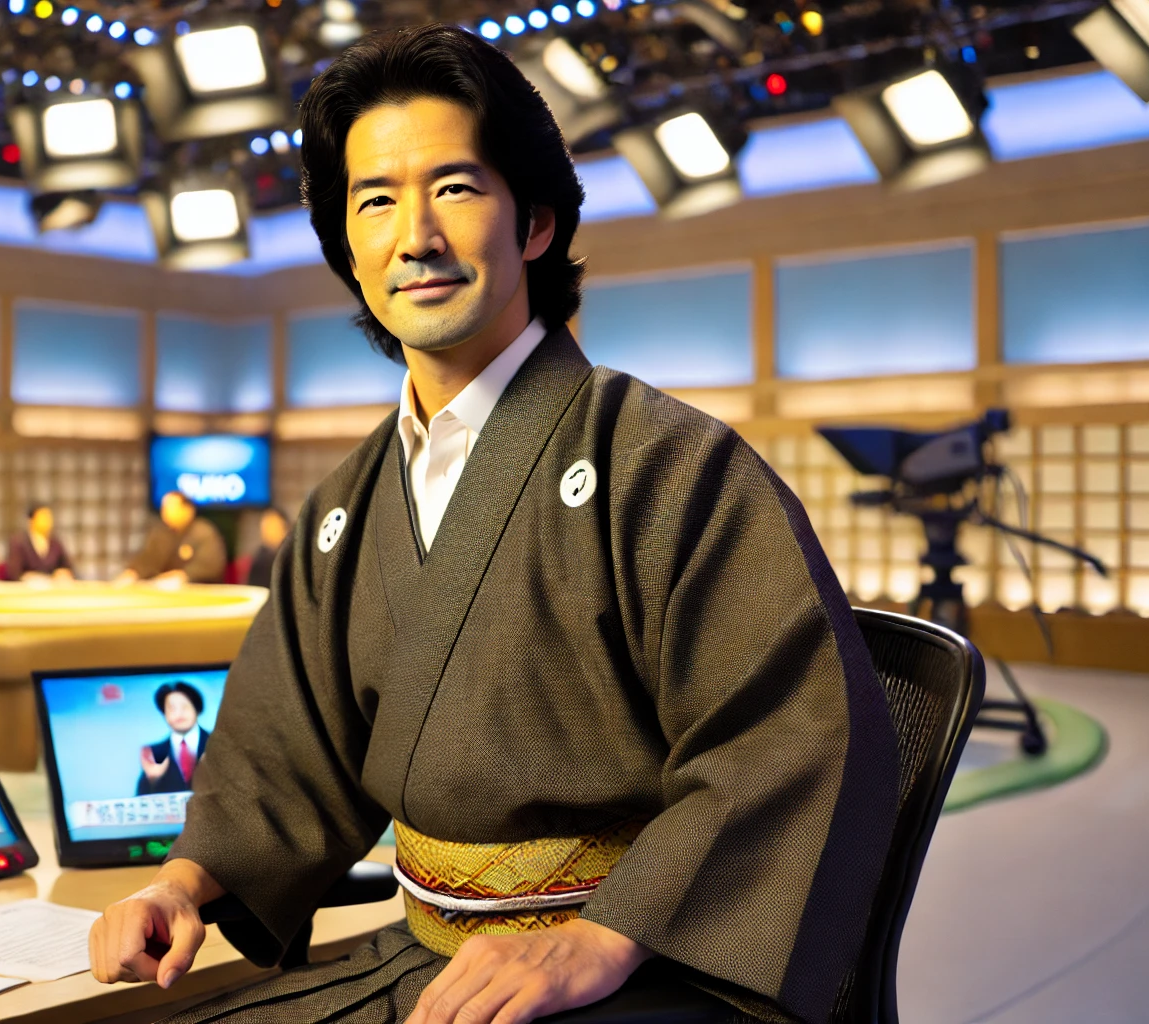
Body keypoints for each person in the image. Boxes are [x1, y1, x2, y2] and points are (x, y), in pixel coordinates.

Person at [87, 25, 898, 1024]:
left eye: (455, 188)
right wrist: (184, 882)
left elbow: (793, 739)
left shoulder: (667, 463)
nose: (413, 234)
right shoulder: (346, 505)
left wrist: (599, 940)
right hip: (426, 949)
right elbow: (281, 747)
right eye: (374, 199)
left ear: (536, 224)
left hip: (639, 967)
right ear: (347, 245)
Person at [115, 490, 226, 585]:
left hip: (200, 592)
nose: (165, 512)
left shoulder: (204, 532)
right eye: (164, 508)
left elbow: (210, 567)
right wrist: (133, 573)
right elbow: (148, 560)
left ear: (188, 510)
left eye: (171, 508)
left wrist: (184, 576)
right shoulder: (161, 533)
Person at [136, 681, 210, 796]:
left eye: (184, 707)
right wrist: (153, 780)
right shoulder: (156, 752)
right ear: (164, 714)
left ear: (197, 709)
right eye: (172, 708)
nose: (178, 714)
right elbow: (141, 802)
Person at [5, 503, 75, 581]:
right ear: (31, 520)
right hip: (26, 588)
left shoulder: (56, 543)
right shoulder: (19, 542)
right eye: (43, 518)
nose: (48, 521)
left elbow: (68, 567)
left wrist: (63, 573)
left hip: (53, 587)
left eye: (49, 518)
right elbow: (14, 572)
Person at [244, 508, 290, 589]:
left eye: (273, 527)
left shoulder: (292, 558)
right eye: (265, 527)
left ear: (285, 528)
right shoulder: (260, 560)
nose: (268, 532)